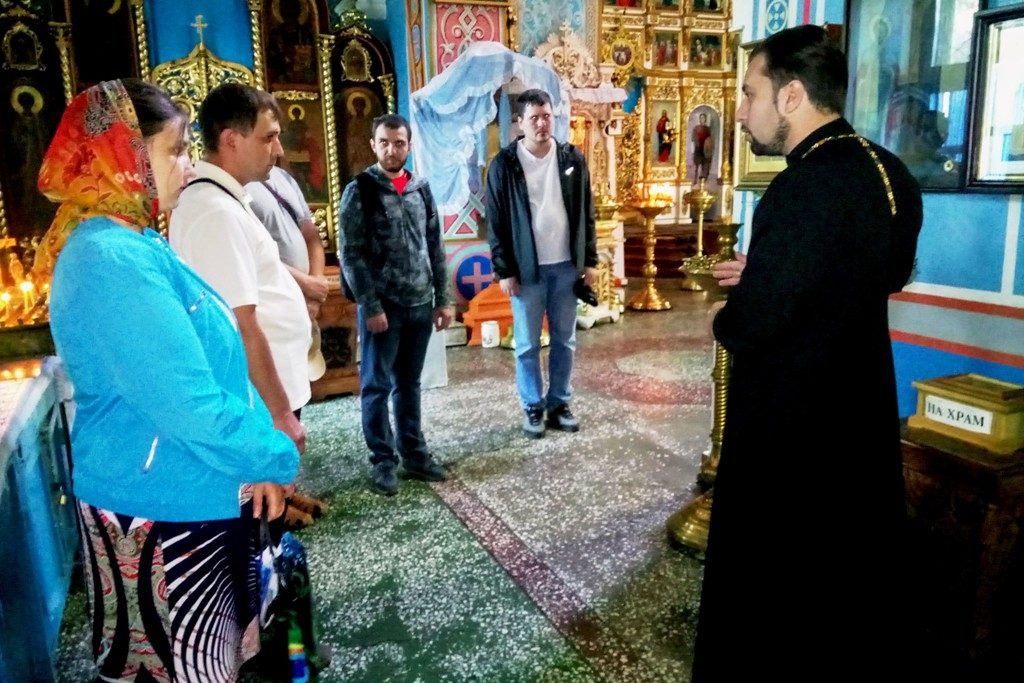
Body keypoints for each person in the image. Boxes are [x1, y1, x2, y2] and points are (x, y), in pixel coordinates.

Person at [42, 79, 299, 682]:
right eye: (175, 151)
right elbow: (188, 403)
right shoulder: (109, 261)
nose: (187, 165)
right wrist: (274, 451)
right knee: (181, 667)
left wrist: (252, 459)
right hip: (157, 508)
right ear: (124, 157)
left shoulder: (137, 243)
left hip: (193, 484)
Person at [692, 25, 922, 681]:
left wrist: (725, 313)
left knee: (776, 594)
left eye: (749, 93)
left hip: (791, 429)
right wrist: (769, 270)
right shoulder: (890, 173)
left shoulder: (800, 187)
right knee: (847, 583)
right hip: (859, 409)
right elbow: (881, 274)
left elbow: (756, 323)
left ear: (791, 96)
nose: (741, 112)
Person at [170, 83, 311, 462]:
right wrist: (280, 413)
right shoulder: (215, 212)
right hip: (258, 398)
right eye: (268, 138)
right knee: (264, 488)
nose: (279, 151)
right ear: (231, 140)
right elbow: (241, 324)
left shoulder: (222, 200)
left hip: (265, 389)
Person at [339, 113, 453, 496]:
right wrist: (370, 306)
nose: (392, 150)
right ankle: (383, 461)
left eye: (399, 143)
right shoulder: (360, 190)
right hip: (383, 308)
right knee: (376, 385)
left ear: (409, 145)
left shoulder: (421, 188)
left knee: (409, 383)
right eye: (385, 143)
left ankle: (415, 455)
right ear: (374, 145)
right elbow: (351, 254)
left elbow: (435, 245)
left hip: (420, 303)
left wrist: (443, 299)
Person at [485, 89, 598, 439]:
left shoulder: (571, 158)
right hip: (526, 269)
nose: (541, 123)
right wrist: (504, 270)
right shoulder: (505, 165)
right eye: (534, 117)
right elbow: (496, 222)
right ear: (520, 122)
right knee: (527, 344)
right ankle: (533, 405)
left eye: (547, 116)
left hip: (566, 266)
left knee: (565, 340)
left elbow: (586, 212)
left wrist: (590, 259)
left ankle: (559, 402)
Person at [691, 111, 713, 180]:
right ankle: (695, 178)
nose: (702, 119)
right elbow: (693, 138)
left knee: (705, 164)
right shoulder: (696, 128)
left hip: (705, 149)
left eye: (703, 118)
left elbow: (710, 139)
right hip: (698, 148)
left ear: (705, 119)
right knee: (696, 165)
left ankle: (703, 178)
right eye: (701, 118)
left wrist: (709, 148)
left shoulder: (707, 129)